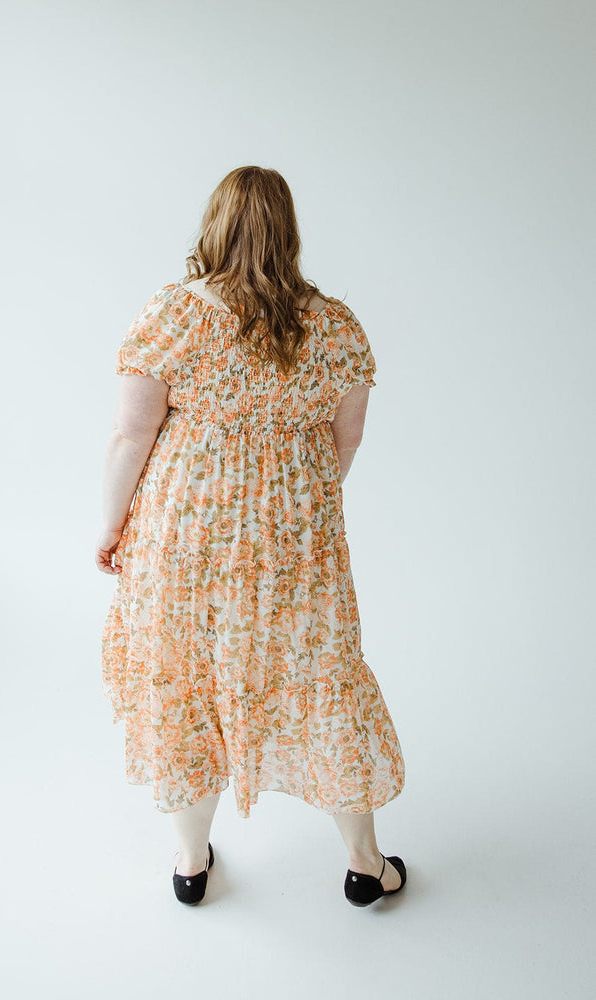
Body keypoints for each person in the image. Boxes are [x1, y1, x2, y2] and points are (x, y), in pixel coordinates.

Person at [96, 165, 406, 907]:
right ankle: (366, 863)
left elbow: (131, 434)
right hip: (294, 536)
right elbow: (347, 437)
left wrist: (112, 526)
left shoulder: (172, 313)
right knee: (318, 679)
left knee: (184, 679)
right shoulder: (333, 323)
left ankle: (191, 861)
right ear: (287, 231)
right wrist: (290, 501)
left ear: (214, 224)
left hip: (183, 528)